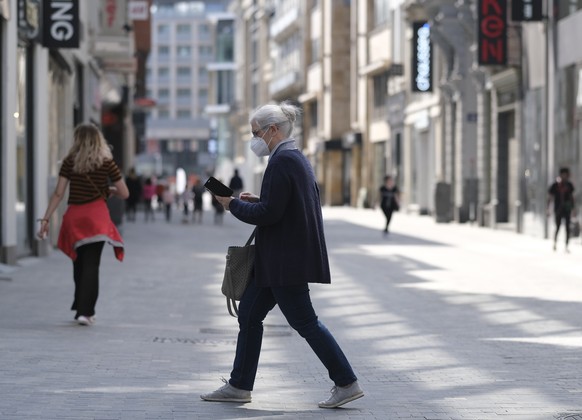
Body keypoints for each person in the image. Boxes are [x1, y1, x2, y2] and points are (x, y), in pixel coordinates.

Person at [203, 102, 363, 409]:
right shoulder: (292, 158)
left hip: (284, 261)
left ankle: (346, 381)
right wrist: (255, 198)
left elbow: (269, 214)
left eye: (256, 133)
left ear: (272, 130)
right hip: (277, 259)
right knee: (249, 315)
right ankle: (239, 386)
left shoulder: (282, 162)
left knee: (305, 321)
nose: (254, 139)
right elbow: (281, 205)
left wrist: (232, 204)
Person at [36, 123, 129, 326]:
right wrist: (110, 190)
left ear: (77, 140)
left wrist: (45, 219)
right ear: (98, 141)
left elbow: (59, 193)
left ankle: (80, 306)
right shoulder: (107, 162)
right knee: (92, 265)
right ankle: (85, 312)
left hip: (75, 218)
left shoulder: (70, 162)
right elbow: (125, 193)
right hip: (97, 219)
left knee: (79, 263)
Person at [548, 167, 576, 252]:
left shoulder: (569, 185)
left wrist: (573, 209)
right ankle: (555, 243)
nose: (564, 176)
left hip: (567, 209)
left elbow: (572, 197)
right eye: (563, 174)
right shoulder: (556, 185)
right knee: (558, 227)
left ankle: (566, 246)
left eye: (565, 174)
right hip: (558, 209)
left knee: (567, 227)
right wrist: (548, 208)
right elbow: (550, 197)